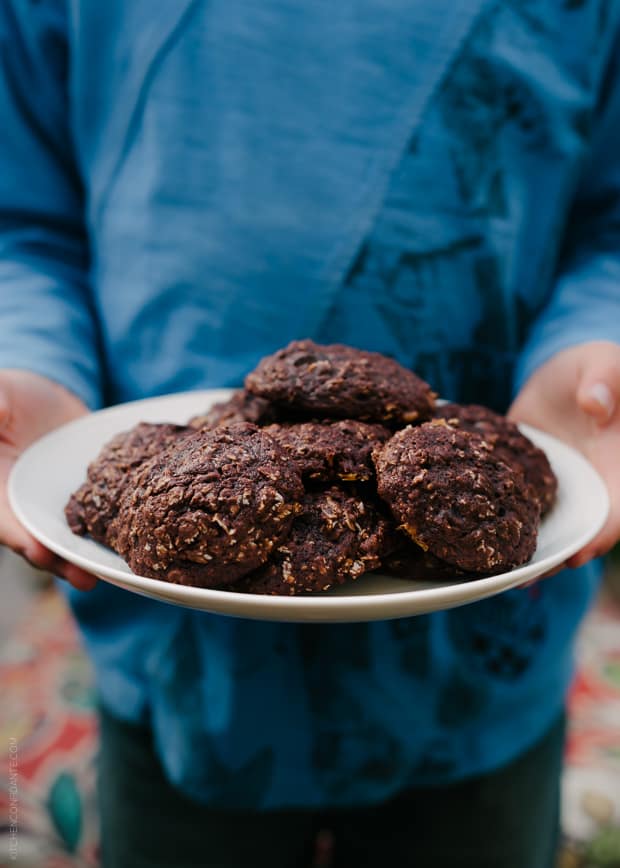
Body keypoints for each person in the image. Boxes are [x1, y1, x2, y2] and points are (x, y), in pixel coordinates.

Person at [1, 1, 619, 866]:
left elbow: (611, 223)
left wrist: (598, 348)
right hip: (175, 661)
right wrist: (25, 357)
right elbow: (22, 220)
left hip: (480, 667)